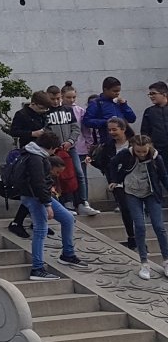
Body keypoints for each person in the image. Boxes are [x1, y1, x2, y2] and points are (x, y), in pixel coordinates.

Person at [14, 131, 85, 280]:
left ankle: (67, 254)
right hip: (36, 197)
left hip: (37, 196)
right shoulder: (35, 158)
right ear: (51, 147)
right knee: (41, 230)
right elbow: (38, 183)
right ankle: (37, 268)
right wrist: (47, 204)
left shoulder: (32, 153)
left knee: (67, 218)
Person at [106, 134, 168, 280]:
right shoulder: (126, 154)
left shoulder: (155, 157)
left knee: (159, 226)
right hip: (132, 192)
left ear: (149, 148)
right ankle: (144, 263)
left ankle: (166, 260)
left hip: (151, 192)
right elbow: (112, 164)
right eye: (138, 151)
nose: (141, 154)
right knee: (139, 226)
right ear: (133, 147)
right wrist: (115, 180)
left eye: (144, 151)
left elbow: (164, 176)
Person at [6, 92, 53, 238]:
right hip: (29, 153)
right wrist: (33, 133)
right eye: (41, 108)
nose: (43, 111)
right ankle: (17, 222)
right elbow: (14, 131)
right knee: (31, 189)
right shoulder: (22, 114)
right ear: (33, 104)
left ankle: (36, 221)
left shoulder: (44, 114)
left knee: (40, 188)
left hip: (44, 151)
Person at [44, 86, 97, 215]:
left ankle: (83, 202)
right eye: (53, 99)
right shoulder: (46, 113)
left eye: (58, 99)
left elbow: (76, 128)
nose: (56, 102)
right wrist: (56, 144)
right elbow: (45, 130)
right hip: (55, 149)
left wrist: (70, 141)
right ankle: (67, 202)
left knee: (79, 173)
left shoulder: (68, 110)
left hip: (71, 148)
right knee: (61, 175)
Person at [92, 117, 136, 249]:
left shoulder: (134, 143)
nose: (111, 132)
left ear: (123, 129)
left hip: (135, 181)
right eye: (109, 130)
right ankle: (131, 237)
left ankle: (138, 238)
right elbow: (105, 164)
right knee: (125, 210)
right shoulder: (108, 146)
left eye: (114, 129)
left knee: (135, 211)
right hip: (117, 182)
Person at [61, 82, 96, 214]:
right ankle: (69, 202)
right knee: (68, 175)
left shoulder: (80, 111)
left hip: (79, 147)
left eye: (73, 97)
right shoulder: (60, 111)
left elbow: (86, 131)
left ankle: (83, 201)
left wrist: (89, 146)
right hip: (65, 148)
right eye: (68, 97)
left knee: (81, 175)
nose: (71, 100)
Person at [143, 82, 168, 155]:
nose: (151, 96)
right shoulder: (149, 111)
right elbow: (145, 132)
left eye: (153, 93)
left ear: (164, 94)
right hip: (158, 150)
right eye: (150, 94)